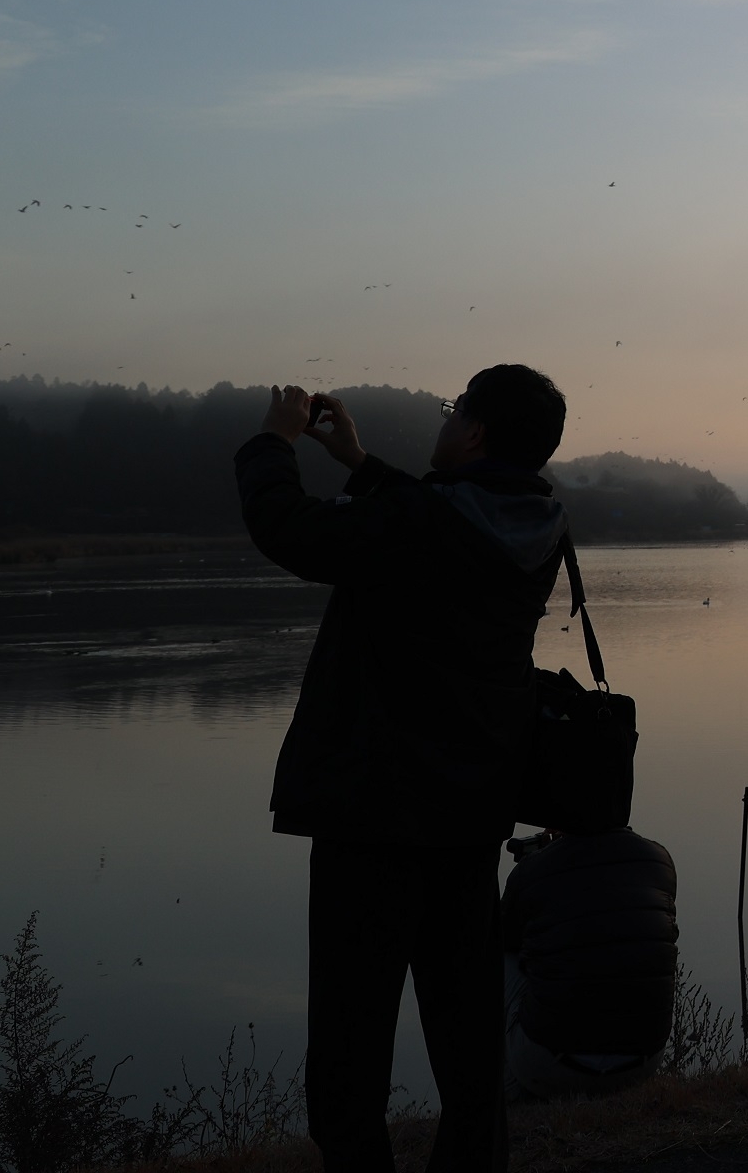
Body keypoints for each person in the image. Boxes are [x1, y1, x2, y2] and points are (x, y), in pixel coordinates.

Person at [236, 366, 573, 1173]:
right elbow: (439, 522)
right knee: (467, 1047)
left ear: (478, 433)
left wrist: (271, 443)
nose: (448, 419)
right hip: (470, 821)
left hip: (374, 819)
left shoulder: (422, 523)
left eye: (457, 410)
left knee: (350, 1058)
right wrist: (361, 463)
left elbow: (290, 531)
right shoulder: (541, 520)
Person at [501, 824, 679, 1099]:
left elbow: (505, 940)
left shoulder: (533, 869)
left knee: (498, 959)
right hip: (643, 1062)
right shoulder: (660, 860)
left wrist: (535, 873)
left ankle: (504, 1091)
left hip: (553, 1067)